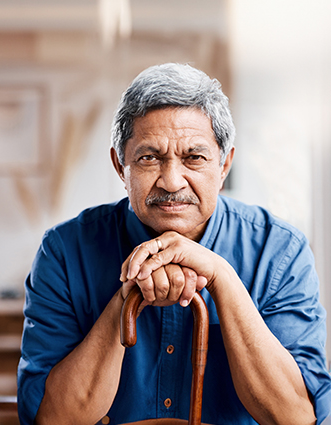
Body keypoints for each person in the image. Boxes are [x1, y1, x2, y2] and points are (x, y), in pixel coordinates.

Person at [17, 63, 331, 425]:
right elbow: (53, 420)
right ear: (121, 167)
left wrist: (222, 278)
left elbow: (296, 418)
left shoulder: (280, 252)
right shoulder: (64, 250)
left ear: (225, 165)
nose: (171, 181)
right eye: (149, 157)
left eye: (194, 158)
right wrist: (126, 297)